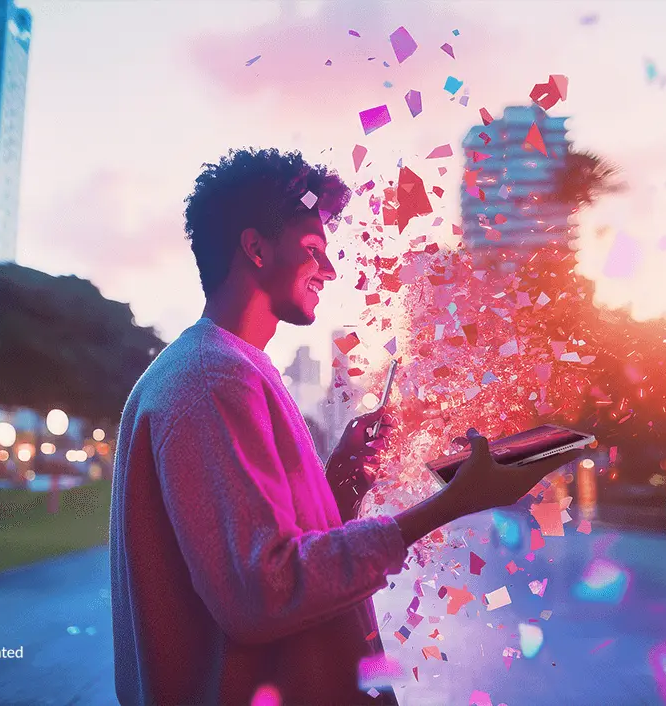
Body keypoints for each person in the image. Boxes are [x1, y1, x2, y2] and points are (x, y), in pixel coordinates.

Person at [109, 148, 583, 706]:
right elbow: (263, 592)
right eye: (313, 250)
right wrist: (449, 505)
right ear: (255, 248)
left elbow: (266, 552)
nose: (330, 270)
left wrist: (343, 480)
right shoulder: (213, 377)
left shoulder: (227, 367)